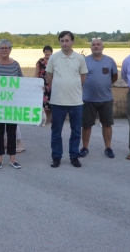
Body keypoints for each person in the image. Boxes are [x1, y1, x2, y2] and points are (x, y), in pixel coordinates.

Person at [46, 31, 88, 168]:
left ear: (72, 42)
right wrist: (58, 88)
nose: (65, 43)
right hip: (58, 101)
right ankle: (56, 157)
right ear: (59, 42)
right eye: (62, 41)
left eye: (67, 40)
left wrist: (72, 86)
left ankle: (74, 156)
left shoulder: (79, 59)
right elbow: (49, 76)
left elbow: (83, 77)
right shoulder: (54, 58)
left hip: (76, 101)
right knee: (56, 131)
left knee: (76, 131)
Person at [0, 40, 23, 169]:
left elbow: (22, 83)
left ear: (10, 50)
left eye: (6, 48)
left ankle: (13, 159)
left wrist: (36, 89)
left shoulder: (15, 65)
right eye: (1, 48)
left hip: (12, 106)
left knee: (12, 132)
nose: (4, 50)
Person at [80, 39, 118, 159]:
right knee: (86, 125)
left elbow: (114, 76)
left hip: (106, 98)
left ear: (103, 47)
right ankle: (85, 148)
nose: (96, 46)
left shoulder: (109, 61)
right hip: (88, 99)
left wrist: (103, 85)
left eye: (98, 44)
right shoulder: (84, 61)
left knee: (107, 124)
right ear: (90, 47)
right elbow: (79, 76)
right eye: (93, 45)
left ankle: (108, 148)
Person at [35, 45, 53, 124]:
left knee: (52, 101)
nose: (47, 53)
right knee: (43, 102)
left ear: (51, 52)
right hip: (42, 84)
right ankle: (44, 119)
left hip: (52, 83)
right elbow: (36, 72)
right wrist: (36, 82)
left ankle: (51, 118)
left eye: (48, 51)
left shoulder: (54, 60)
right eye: (45, 51)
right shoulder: (40, 61)